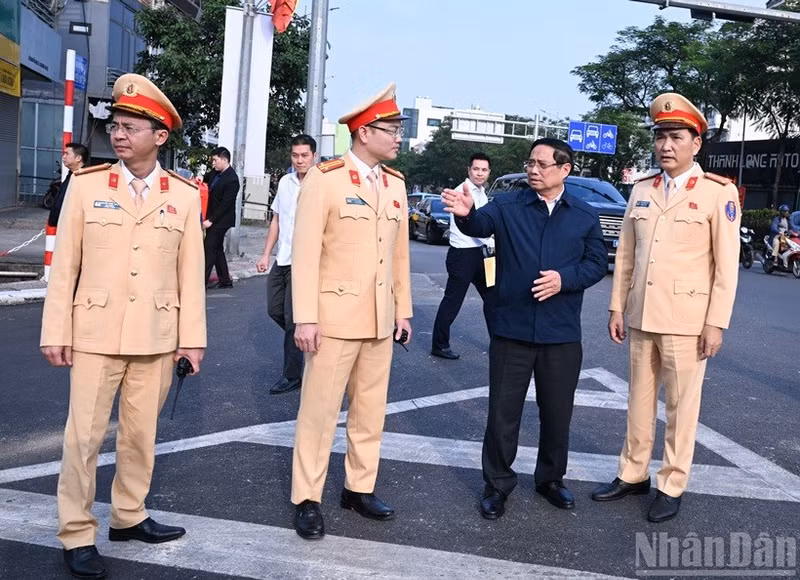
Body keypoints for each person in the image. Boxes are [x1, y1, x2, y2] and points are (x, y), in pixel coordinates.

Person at [39, 73, 207, 579]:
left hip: (156, 336)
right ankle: (76, 532)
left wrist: (192, 340)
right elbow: (65, 266)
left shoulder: (183, 196)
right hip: (94, 335)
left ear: (160, 136)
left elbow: (190, 275)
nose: (118, 134)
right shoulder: (88, 186)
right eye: (116, 125)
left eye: (131, 127)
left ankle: (129, 515)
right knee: (83, 439)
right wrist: (55, 330)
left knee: (140, 436)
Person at [591, 93, 741, 523]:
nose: (666, 146)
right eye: (660, 137)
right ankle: (632, 473)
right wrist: (617, 307)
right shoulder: (642, 189)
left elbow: (726, 267)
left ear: (697, 143)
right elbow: (626, 256)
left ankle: (672, 483)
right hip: (641, 315)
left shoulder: (717, 192)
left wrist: (715, 323)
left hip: (687, 322)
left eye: (676, 137)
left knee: (681, 407)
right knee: (638, 400)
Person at [442, 138, 607, 520]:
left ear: (565, 170)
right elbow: (481, 223)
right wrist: (466, 215)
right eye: (530, 162)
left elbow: (597, 263)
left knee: (557, 413)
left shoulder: (584, 214)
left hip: (561, 333)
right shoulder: (508, 205)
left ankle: (551, 479)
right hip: (511, 328)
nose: (533, 169)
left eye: (541, 164)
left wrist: (564, 279)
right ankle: (497, 484)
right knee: (503, 412)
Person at [290, 83, 412, 540]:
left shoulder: (395, 184)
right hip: (333, 319)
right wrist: (306, 317)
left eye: (399, 129)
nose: (399, 137)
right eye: (391, 129)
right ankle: (307, 497)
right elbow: (305, 255)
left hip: (379, 319)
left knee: (370, 411)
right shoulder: (326, 179)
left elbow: (399, 256)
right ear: (364, 132)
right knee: (319, 413)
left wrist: (403, 311)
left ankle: (359, 488)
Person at [256, 134, 317, 394]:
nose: (299, 160)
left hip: (305, 262)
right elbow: (277, 221)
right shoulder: (285, 182)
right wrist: (265, 254)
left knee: (294, 319)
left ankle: (292, 375)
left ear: (314, 156)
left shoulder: (322, 184)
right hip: (282, 258)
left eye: (304, 155)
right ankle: (310, 338)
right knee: (274, 309)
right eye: (295, 155)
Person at [430, 152, 497, 360]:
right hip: (463, 254)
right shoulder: (462, 191)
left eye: (484, 170)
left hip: (483, 254)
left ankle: (499, 342)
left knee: (494, 299)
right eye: (476, 169)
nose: (480, 173)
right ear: (469, 170)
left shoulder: (482, 193)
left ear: (489, 172)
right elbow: (473, 224)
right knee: (453, 301)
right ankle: (439, 345)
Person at [203, 147, 240, 289]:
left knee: (209, 248)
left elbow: (226, 204)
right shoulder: (215, 172)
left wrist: (211, 220)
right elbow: (207, 179)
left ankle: (201, 283)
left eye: (215, 160)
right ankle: (225, 280)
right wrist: (201, 178)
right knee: (217, 249)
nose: (213, 163)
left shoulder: (232, 179)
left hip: (221, 220)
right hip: (212, 216)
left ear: (224, 160)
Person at [48, 142, 89, 228]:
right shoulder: (71, 175)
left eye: (67, 154)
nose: (63, 157)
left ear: (78, 158)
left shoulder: (84, 179)